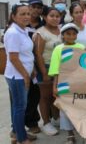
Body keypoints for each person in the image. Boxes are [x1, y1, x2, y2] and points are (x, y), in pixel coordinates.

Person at [48, 23, 84, 144]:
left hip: (79, 83)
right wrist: (55, 86)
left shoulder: (81, 47)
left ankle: (83, 132)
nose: (71, 36)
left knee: (80, 107)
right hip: (63, 83)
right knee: (65, 109)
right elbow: (55, 69)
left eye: (74, 34)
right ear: (63, 35)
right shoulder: (58, 49)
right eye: (68, 34)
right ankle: (70, 134)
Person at [4, 3, 34, 144]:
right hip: (17, 76)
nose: (26, 16)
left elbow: (26, 54)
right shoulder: (13, 33)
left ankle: (16, 133)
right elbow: (13, 58)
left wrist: (31, 70)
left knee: (17, 106)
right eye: (22, 14)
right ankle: (22, 138)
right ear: (14, 16)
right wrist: (26, 76)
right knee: (19, 107)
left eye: (28, 13)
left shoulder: (23, 30)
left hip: (22, 74)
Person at [33, 7, 62, 136]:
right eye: (52, 16)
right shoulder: (41, 33)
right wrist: (44, 72)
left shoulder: (62, 30)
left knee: (56, 95)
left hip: (60, 68)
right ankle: (46, 122)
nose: (55, 18)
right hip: (46, 66)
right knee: (45, 97)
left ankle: (56, 118)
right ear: (45, 17)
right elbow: (38, 54)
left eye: (57, 16)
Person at [25, 0, 43, 134]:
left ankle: (33, 122)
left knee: (35, 95)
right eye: (33, 7)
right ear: (28, 7)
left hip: (38, 65)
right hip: (22, 65)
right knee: (20, 97)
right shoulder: (20, 24)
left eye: (38, 7)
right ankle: (17, 127)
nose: (36, 10)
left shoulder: (43, 26)